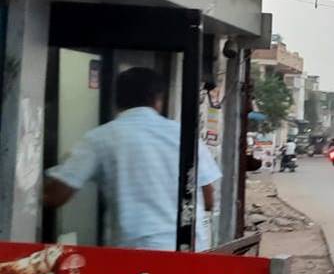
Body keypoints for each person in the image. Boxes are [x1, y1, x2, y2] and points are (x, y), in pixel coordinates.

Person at [43, 67, 221, 251]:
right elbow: (208, 200)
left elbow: (55, 195)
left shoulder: (101, 138)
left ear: (116, 100)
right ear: (157, 99)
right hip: (190, 248)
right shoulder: (184, 135)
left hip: (138, 254)